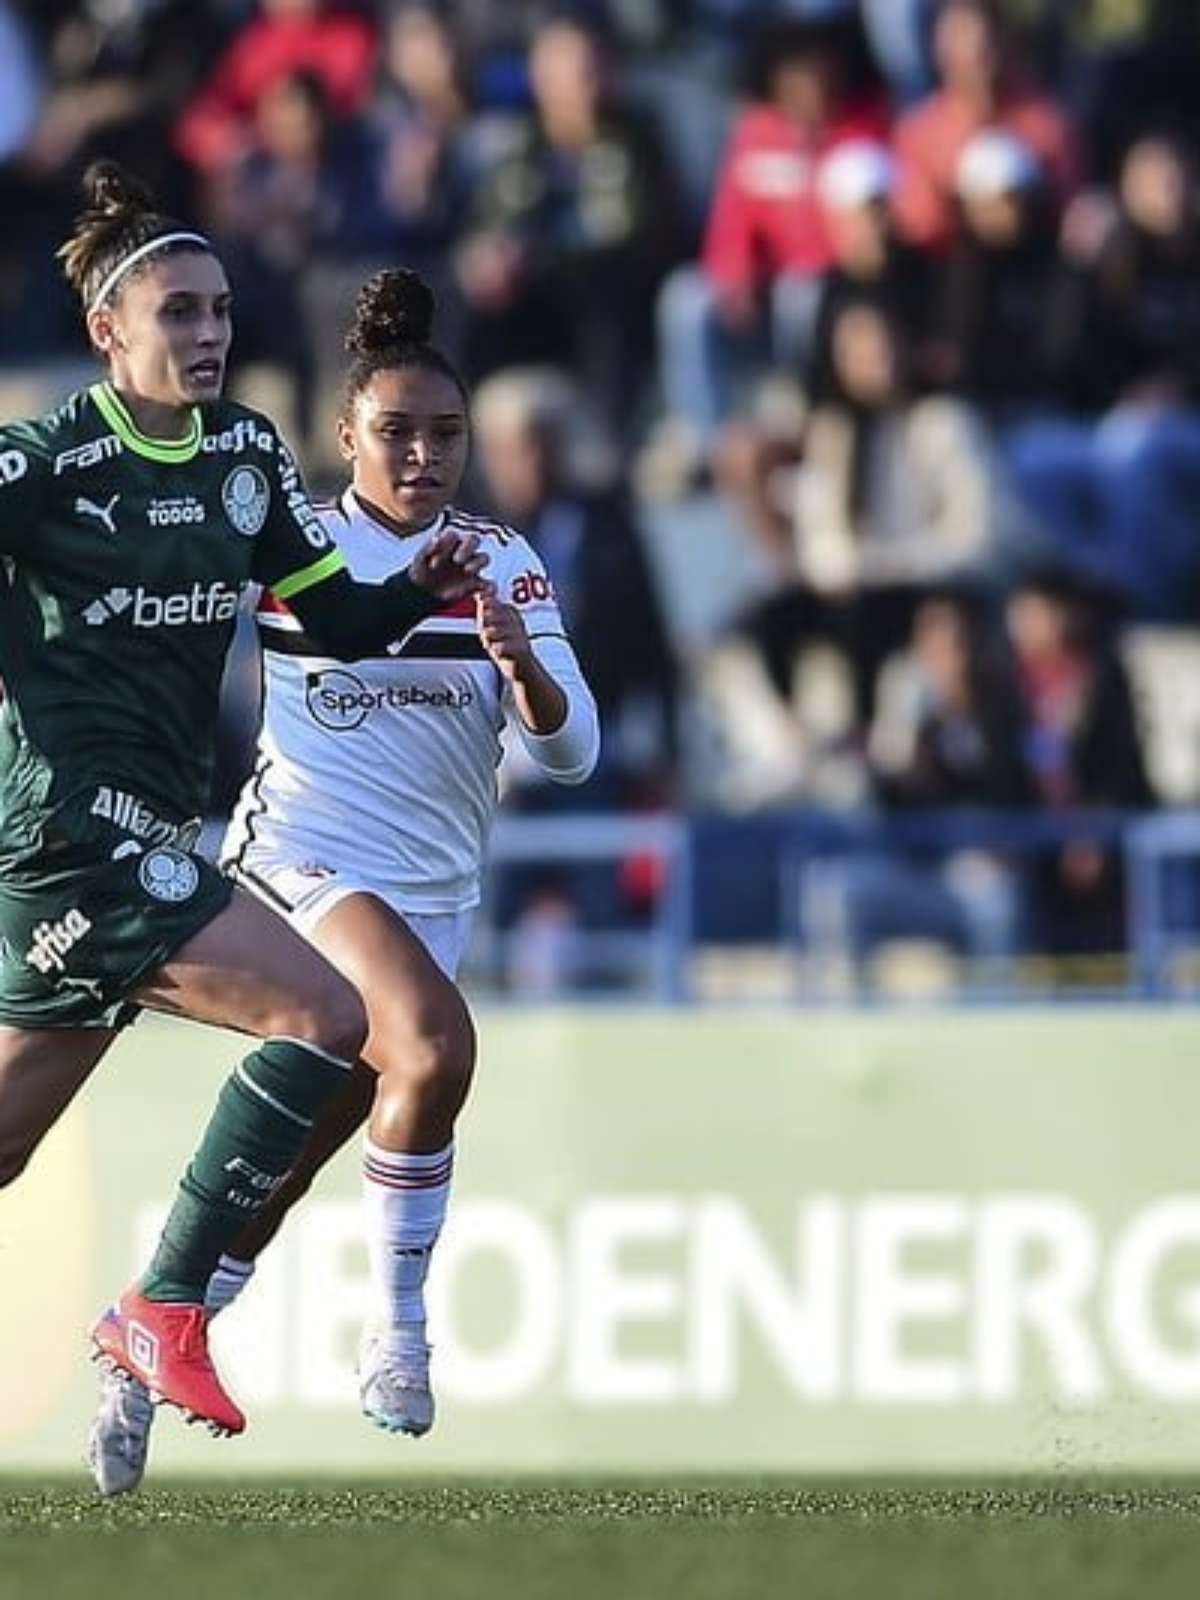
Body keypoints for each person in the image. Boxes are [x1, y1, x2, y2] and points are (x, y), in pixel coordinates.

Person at [86, 268, 600, 1493]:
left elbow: (572, 749)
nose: (424, 457)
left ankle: (147, 1324)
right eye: (398, 433)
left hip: (429, 899)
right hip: (298, 864)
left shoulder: (502, 559)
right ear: (347, 436)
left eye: (446, 435)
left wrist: (521, 665)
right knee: (430, 1045)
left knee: (291, 1163)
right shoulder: (299, 543)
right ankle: (403, 1336)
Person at [0, 162, 488, 1442]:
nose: (209, 333)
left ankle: (158, 1307)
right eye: (179, 312)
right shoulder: (41, 462)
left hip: (157, 832)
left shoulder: (244, 455)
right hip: (72, 836)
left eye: (219, 310)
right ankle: (164, 1306)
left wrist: (415, 583)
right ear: (109, 331)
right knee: (331, 1013)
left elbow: (333, 617)